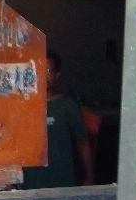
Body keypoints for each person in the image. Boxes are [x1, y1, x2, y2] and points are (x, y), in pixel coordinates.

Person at [23, 50, 95, 189]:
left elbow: (83, 144)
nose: (44, 75)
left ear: (57, 75)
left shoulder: (68, 106)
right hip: (31, 182)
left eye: (49, 70)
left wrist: (90, 177)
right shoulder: (22, 106)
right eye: (39, 70)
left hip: (63, 180)